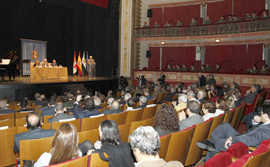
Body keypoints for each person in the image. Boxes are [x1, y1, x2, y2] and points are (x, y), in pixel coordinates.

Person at [196, 105, 270, 162]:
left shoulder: (266, 130)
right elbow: (257, 134)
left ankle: (208, 162)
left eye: (262, 113)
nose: (260, 114)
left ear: (266, 116)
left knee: (219, 143)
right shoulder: (267, 125)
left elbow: (251, 140)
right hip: (245, 137)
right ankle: (210, 142)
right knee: (225, 126)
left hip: (245, 146)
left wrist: (232, 139)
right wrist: (256, 123)